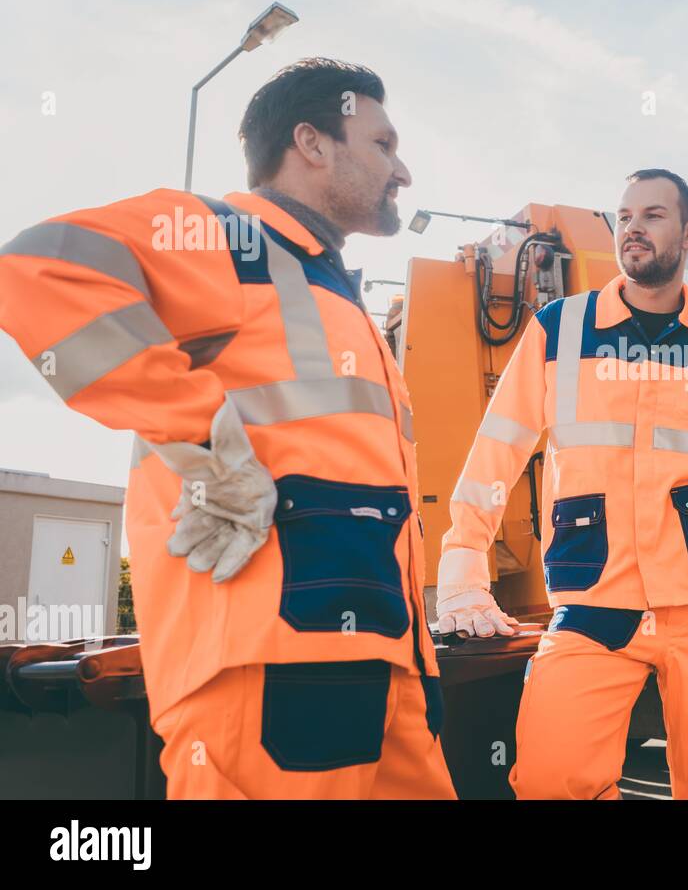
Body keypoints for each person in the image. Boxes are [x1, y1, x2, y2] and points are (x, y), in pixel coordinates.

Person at [0, 58, 456, 799]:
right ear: (312, 143)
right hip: (270, 668)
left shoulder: (331, 287)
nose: (401, 169)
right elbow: (35, 268)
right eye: (383, 143)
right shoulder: (227, 237)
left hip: (383, 663)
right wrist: (207, 443)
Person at [436, 168, 688, 799]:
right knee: (548, 779)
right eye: (623, 217)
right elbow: (495, 456)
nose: (632, 229)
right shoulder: (559, 330)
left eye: (652, 215)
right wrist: (462, 571)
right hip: (596, 601)